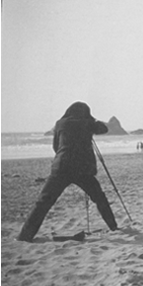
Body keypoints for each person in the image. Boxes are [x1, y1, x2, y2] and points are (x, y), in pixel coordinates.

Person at [17, 102, 118, 242]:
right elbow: (104, 129)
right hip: (82, 170)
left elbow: (56, 147)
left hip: (61, 167)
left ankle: (25, 236)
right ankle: (113, 227)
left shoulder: (60, 123)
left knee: (43, 203)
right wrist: (92, 120)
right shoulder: (87, 123)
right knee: (99, 197)